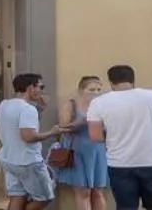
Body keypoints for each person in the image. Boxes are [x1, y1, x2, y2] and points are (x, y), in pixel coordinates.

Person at [86, 64, 152, 210]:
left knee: (126, 207)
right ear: (133, 80)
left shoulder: (99, 103)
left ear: (111, 82)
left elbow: (95, 136)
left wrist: (113, 134)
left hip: (120, 164)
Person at [0, 72, 64, 209]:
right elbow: (29, 136)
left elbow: (22, 126)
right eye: (41, 86)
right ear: (30, 88)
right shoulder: (27, 109)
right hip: (28, 161)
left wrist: (40, 109)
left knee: (18, 195)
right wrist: (52, 132)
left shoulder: (4, 105)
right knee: (44, 197)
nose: (41, 91)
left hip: (9, 159)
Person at [53, 76, 109, 210]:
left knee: (98, 192)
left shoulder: (103, 106)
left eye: (98, 89)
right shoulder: (71, 105)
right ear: (81, 90)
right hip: (77, 152)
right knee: (83, 192)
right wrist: (82, 122)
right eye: (91, 89)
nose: (95, 92)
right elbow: (63, 127)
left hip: (98, 152)